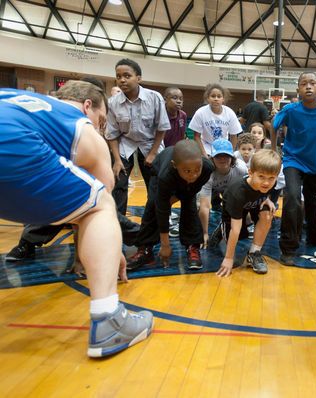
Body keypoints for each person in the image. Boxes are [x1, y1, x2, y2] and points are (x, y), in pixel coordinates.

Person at [0, 81, 153, 357]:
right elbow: (97, 198)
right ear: (87, 107)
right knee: (103, 205)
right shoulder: (78, 122)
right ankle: (109, 321)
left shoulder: (14, 96)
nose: (101, 128)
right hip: (12, 143)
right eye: (102, 120)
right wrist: (109, 249)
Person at [273, 72, 316, 266]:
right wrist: (273, 150)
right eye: (303, 84)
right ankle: (289, 246)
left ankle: (314, 235)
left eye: (312, 83)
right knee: (292, 196)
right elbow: (274, 126)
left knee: (312, 200)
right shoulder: (291, 110)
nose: (308, 86)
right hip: (293, 160)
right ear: (298, 90)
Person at [125, 140, 214, 271]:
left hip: (185, 186)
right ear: (175, 165)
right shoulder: (165, 175)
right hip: (159, 172)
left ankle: (192, 246)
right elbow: (162, 209)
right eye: (187, 171)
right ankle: (145, 249)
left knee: (190, 205)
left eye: (197, 169)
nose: (193, 175)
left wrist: (178, 197)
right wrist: (165, 245)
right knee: (153, 206)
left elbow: (192, 189)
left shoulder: (207, 168)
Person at [106, 58, 171, 218]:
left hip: (150, 144)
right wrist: (117, 160)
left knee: (154, 186)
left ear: (139, 78)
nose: (122, 80)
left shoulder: (154, 98)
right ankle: (119, 223)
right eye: (118, 76)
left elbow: (162, 128)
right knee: (118, 183)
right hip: (124, 143)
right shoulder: (112, 102)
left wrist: (153, 153)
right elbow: (112, 134)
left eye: (127, 76)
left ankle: (153, 223)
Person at [210, 149, 282, 276]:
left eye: (271, 178)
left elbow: (265, 187)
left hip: (252, 204)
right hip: (234, 207)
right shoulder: (237, 192)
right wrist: (228, 258)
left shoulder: (268, 182)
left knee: (268, 214)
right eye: (261, 177)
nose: (266, 182)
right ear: (250, 173)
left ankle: (254, 253)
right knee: (239, 234)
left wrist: (267, 199)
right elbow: (235, 230)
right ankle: (221, 228)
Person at [199, 139, 248, 247]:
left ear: (232, 157)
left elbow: (247, 195)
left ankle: (221, 227)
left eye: (226, 156)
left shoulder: (241, 169)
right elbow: (205, 206)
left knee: (245, 216)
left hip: (232, 189)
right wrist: (205, 233)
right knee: (198, 205)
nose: (222, 159)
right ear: (212, 158)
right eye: (218, 156)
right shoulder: (207, 172)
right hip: (213, 187)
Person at [190, 84, 242, 159]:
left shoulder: (230, 113)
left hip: (223, 146)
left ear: (223, 99)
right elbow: (196, 136)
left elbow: (234, 136)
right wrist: (204, 155)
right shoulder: (200, 112)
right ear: (208, 98)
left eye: (219, 96)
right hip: (206, 145)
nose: (216, 99)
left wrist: (231, 153)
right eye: (213, 96)